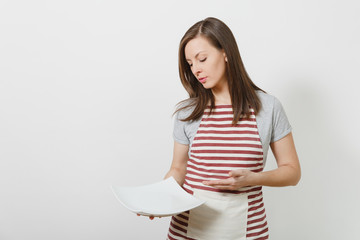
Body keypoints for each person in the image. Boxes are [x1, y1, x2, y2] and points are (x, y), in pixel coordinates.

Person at [159, 17, 301, 240]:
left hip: (248, 231)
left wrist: (252, 179)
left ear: (225, 52)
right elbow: (178, 169)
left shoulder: (268, 107)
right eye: (190, 63)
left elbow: (292, 172)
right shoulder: (187, 113)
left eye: (202, 59)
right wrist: (158, 199)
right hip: (187, 230)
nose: (196, 69)